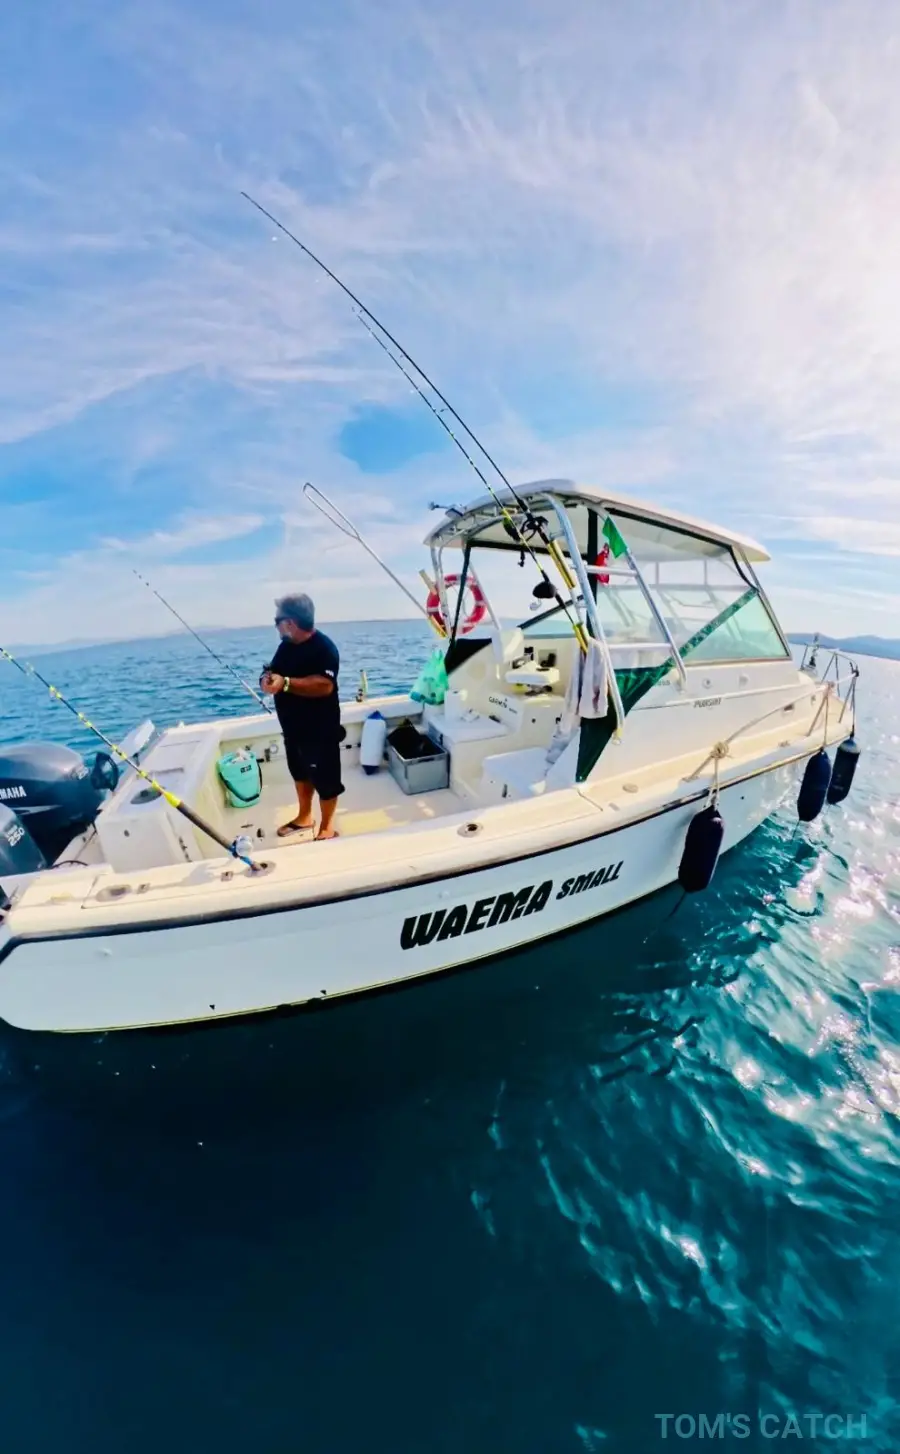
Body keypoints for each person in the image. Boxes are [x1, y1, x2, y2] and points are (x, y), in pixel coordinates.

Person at [260, 593, 344, 840]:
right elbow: (273, 670)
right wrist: (266, 680)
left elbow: (324, 685)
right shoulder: (286, 646)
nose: (276, 626)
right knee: (300, 772)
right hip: (292, 728)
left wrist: (285, 683)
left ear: (290, 622)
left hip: (320, 730)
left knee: (326, 780)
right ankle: (305, 817)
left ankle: (327, 827)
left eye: (277, 621)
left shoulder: (324, 648)